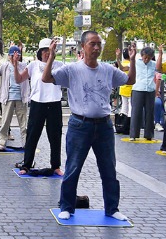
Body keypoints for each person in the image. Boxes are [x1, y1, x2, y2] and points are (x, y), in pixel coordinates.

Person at [43, 33, 135, 221]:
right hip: (79, 125)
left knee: (109, 169)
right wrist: (51, 57)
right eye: (92, 44)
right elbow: (47, 78)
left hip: (104, 126)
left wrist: (132, 60)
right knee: (73, 167)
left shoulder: (108, 70)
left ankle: (112, 208)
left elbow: (130, 80)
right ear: (83, 46)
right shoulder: (72, 69)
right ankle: (67, 206)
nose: (96, 48)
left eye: (98, 44)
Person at [13, 38, 65, 175]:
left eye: (50, 50)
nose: (48, 53)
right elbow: (19, 79)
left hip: (54, 103)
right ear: (40, 52)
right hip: (37, 103)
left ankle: (56, 165)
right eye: (45, 51)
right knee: (32, 135)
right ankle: (26, 165)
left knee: (55, 136)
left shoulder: (59, 65)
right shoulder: (33, 65)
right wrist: (14, 66)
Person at [0, 44, 28, 149]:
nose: (15, 58)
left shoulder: (24, 66)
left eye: (17, 56)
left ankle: (25, 143)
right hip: (8, 97)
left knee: (24, 123)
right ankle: (2, 142)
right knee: (5, 122)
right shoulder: (5, 66)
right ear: (9, 56)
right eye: (12, 56)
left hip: (21, 97)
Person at [130, 47, 157, 140]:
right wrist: (119, 58)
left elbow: (160, 70)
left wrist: (160, 53)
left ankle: (149, 134)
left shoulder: (153, 64)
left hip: (150, 89)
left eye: (149, 58)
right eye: (145, 57)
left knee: (150, 112)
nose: (146, 60)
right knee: (136, 112)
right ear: (142, 56)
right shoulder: (136, 63)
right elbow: (123, 68)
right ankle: (133, 134)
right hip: (138, 88)